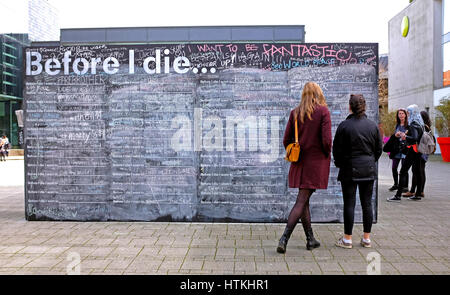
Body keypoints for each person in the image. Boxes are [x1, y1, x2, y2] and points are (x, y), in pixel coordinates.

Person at [277, 82, 332, 253]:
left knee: (304, 201)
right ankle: (284, 238)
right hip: (315, 164)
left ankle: (310, 239)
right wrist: (325, 153)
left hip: (299, 163)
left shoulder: (295, 113)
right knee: (301, 200)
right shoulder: (323, 111)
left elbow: (286, 140)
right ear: (318, 94)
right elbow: (326, 141)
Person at [332, 94, 382, 249]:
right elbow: (378, 150)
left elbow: (336, 150)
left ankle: (347, 239)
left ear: (350, 107)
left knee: (349, 203)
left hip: (349, 169)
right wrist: (369, 162)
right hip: (368, 169)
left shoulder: (344, 126)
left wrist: (341, 164)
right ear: (364, 106)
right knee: (367, 203)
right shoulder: (372, 126)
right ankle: (366, 238)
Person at [387, 104, 424, 202]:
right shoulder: (420, 123)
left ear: (412, 113)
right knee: (417, 172)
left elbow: (415, 138)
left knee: (403, 171)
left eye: (408, 112)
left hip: (412, 150)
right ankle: (418, 194)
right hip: (418, 150)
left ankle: (398, 196)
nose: (407, 114)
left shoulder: (414, 124)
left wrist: (405, 137)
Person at [403, 110, 434, 200]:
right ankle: (419, 191)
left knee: (417, 171)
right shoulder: (427, 126)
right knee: (420, 170)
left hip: (421, 150)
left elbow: (418, 138)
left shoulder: (422, 126)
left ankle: (416, 191)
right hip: (424, 151)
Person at [386, 109, 409, 192]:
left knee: (404, 168)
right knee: (394, 167)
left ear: (405, 115)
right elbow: (394, 136)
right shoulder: (397, 125)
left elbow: (410, 135)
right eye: (399, 114)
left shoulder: (408, 125)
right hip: (396, 149)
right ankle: (396, 184)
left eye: (403, 113)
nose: (401, 115)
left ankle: (405, 186)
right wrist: (395, 135)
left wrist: (405, 134)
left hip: (405, 149)